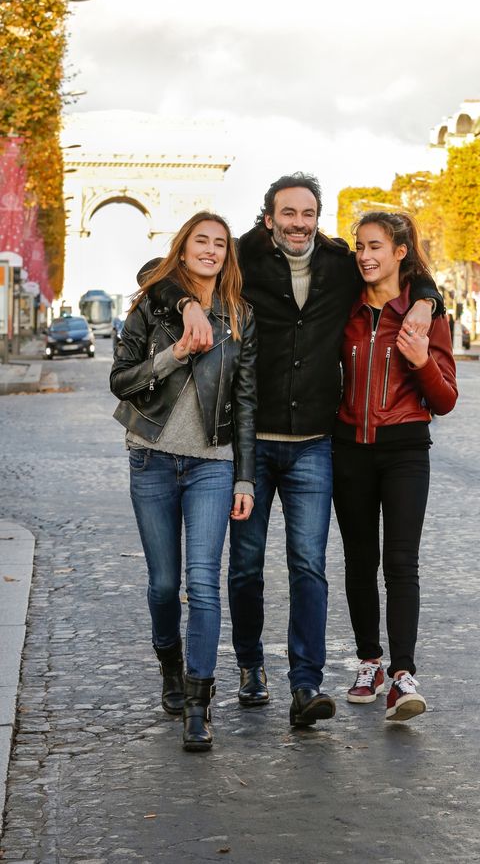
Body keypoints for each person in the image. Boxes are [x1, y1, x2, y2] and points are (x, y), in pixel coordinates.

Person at [146, 174, 443, 728]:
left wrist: (428, 299)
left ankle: (305, 684)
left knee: (310, 565)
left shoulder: (338, 262)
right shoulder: (240, 258)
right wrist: (188, 302)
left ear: (318, 217)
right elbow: (155, 272)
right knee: (246, 567)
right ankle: (252, 667)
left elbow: (407, 267)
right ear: (269, 217)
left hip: (314, 443)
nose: (299, 223)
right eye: (288, 213)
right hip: (251, 441)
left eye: (308, 213)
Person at [110, 212, 257, 751]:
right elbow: (119, 380)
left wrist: (245, 478)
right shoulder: (153, 301)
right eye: (202, 241)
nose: (212, 251)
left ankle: (199, 701)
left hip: (212, 466)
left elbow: (244, 401)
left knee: (203, 584)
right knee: (163, 586)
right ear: (184, 246)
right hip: (150, 459)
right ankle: (169, 664)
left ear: (228, 255)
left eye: (221, 244)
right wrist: (174, 353)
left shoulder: (240, 316)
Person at [332, 211, 457, 720]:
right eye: (360, 246)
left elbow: (446, 399)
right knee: (360, 562)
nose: (364, 255)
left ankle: (403, 675)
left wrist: (422, 358)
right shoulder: (345, 307)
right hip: (349, 448)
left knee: (402, 562)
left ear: (400, 251)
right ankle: (369, 661)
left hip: (406, 449)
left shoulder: (426, 315)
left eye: (376, 246)